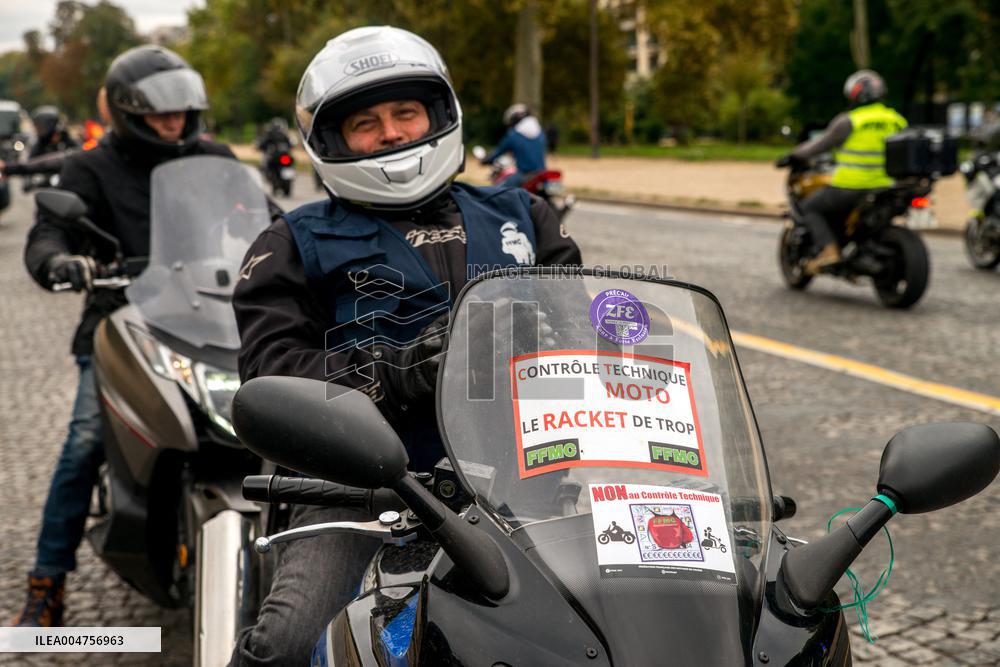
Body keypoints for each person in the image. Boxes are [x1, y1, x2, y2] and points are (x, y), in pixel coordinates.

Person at [230, 25, 580, 665]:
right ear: (330, 139)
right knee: (284, 645)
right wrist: (393, 372)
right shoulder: (290, 242)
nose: (391, 134)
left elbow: (584, 326)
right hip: (358, 492)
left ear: (439, 114)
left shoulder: (522, 216)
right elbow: (268, 373)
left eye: (405, 112)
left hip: (530, 483)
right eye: (366, 123)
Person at [12, 44, 237, 628]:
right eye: (161, 114)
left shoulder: (214, 157)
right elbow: (49, 232)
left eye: (182, 112)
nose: (174, 123)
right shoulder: (91, 167)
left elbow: (270, 220)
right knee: (86, 439)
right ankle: (46, 583)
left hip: (214, 315)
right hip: (123, 320)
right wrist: (58, 261)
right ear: (128, 112)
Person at [779, 70, 907, 274]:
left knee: (810, 207)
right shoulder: (896, 119)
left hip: (852, 186)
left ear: (854, 94)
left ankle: (829, 251)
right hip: (887, 186)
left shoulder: (850, 121)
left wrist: (793, 155)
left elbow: (819, 145)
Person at [481, 103, 548, 187]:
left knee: (498, 191)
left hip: (524, 174)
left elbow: (499, 151)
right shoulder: (541, 132)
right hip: (542, 173)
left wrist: (486, 159)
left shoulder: (514, 135)